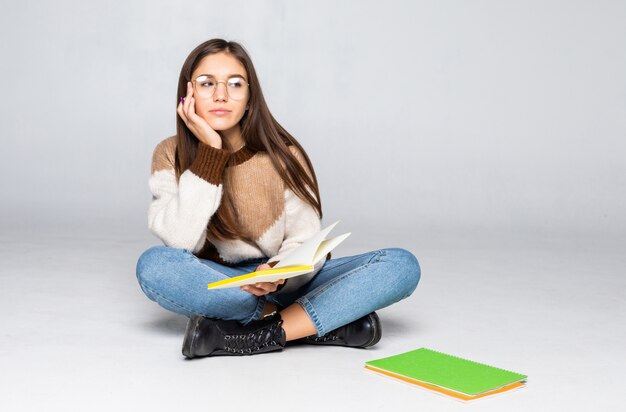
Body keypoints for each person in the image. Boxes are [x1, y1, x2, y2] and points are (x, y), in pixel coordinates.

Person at [135, 38, 421, 359]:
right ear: (188, 94)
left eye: (235, 84)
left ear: (250, 96)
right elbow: (179, 240)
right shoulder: (169, 153)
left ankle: (252, 332)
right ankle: (317, 321)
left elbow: (305, 240)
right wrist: (210, 156)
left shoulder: (283, 156)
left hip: (289, 281)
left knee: (400, 265)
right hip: (223, 284)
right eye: (207, 84)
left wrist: (278, 274)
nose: (221, 95)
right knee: (154, 265)